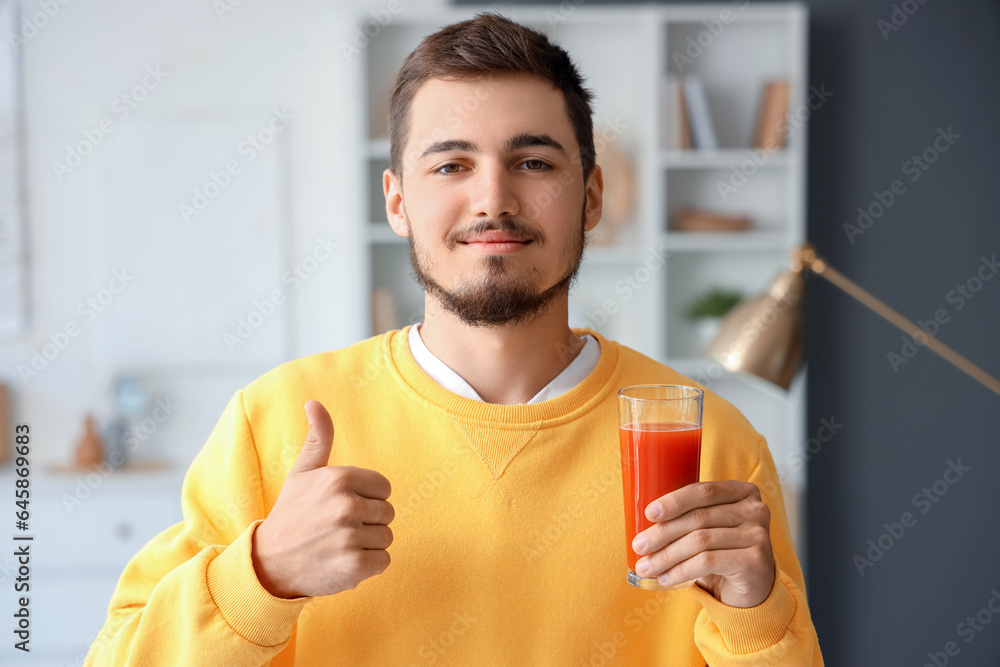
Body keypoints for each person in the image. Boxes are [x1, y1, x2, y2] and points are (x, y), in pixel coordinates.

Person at [85, 12, 823, 666]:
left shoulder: (713, 444)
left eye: (533, 162)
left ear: (591, 197)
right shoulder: (272, 421)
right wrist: (262, 574)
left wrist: (756, 619)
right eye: (452, 164)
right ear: (398, 201)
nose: (493, 198)